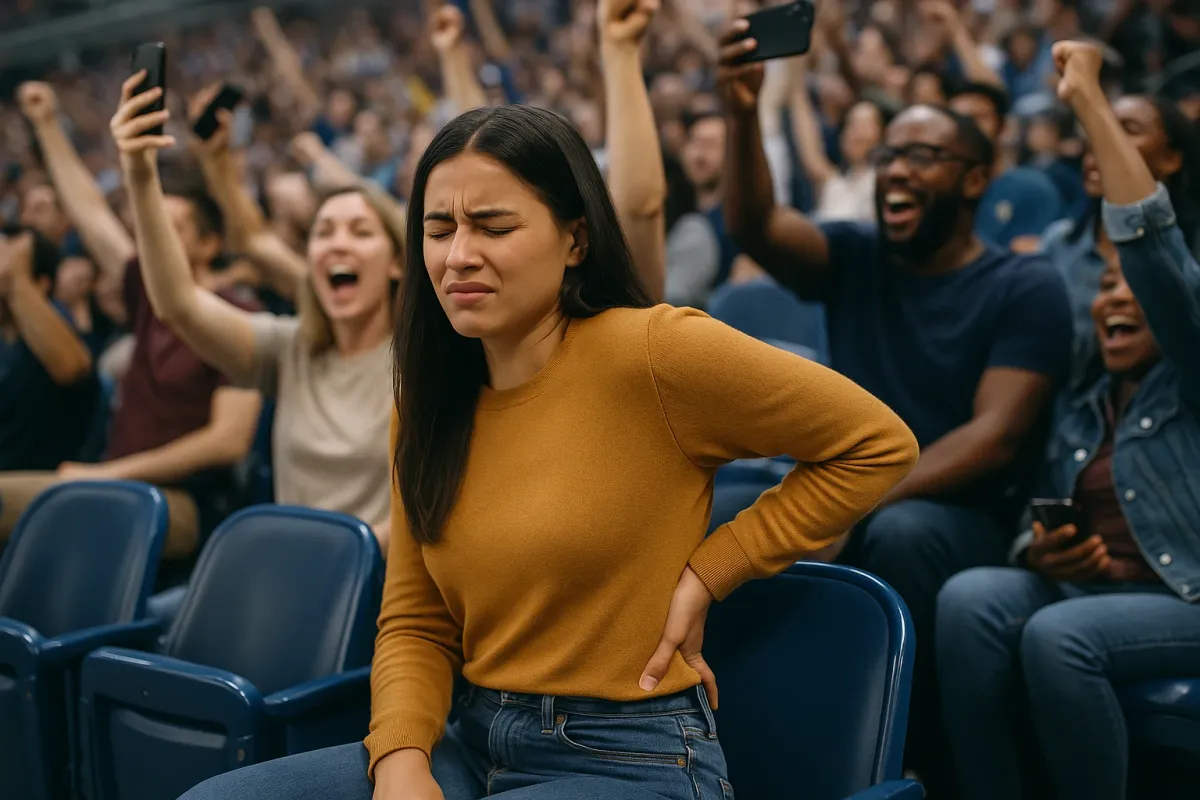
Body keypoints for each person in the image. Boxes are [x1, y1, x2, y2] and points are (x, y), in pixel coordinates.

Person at [178, 99, 919, 800]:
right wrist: (401, 763)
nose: (458, 255)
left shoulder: (656, 352)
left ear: (575, 238)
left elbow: (876, 444)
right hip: (469, 738)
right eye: (439, 229)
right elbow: (415, 619)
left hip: (636, 755)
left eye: (493, 226)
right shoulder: (428, 400)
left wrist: (711, 570)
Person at [716, 15, 1075, 794]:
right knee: (722, 511)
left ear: (977, 178)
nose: (894, 172)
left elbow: (996, 437)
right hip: (865, 498)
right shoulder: (857, 258)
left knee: (903, 533)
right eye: (887, 156)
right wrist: (744, 111)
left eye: (922, 156)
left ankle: (893, 763)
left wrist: (854, 499)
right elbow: (751, 224)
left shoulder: (1024, 285)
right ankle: (735, 746)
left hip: (969, 519)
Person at [936, 41, 1200, 800]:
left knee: (1058, 636)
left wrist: (1085, 95)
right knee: (970, 598)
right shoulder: (1086, 397)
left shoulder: (1191, 372)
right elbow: (1041, 507)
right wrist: (1040, 548)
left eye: (1132, 289)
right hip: (1097, 591)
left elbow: (1155, 257)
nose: (1115, 297)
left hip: (1182, 598)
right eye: (1103, 285)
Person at [110, 73, 400, 554]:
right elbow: (178, 304)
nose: (338, 243)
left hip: (383, 594)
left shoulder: (425, 356)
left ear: (396, 262)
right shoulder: (290, 348)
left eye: (361, 231)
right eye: (324, 231)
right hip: (290, 579)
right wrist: (140, 173)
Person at [0, 80, 263, 558]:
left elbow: (228, 442)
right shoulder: (148, 288)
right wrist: (46, 124)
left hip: (183, 502)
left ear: (209, 246)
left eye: (173, 228)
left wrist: (107, 475)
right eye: (151, 225)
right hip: (107, 483)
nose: (153, 236)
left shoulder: (243, 315)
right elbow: (91, 212)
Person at [1039, 91, 1199, 341]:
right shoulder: (1057, 242)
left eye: (1127, 130)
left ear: (1171, 159)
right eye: (1098, 130)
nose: (1102, 142)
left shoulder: (1191, 252)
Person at [0, 228, 97, 475]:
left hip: (41, 486)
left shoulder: (57, 322)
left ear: (40, 284)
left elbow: (72, 367)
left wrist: (17, 283)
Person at [948, 81, 1065, 253]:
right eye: (957, 119)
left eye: (978, 118)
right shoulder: (938, 191)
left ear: (1004, 127)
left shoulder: (1032, 188)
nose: (967, 128)